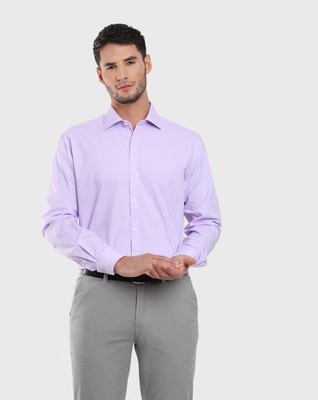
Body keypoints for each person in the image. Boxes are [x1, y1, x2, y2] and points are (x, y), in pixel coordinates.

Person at [41, 23, 222, 400]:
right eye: (111, 66)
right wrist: (118, 261)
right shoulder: (76, 141)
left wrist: (186, 256)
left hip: (171, 297)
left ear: (147, 63)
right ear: (99, 75)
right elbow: (57, 222)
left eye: (130, 62)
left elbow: (206, 220)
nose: (122, 74)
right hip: (100, 295)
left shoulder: (186, 142)